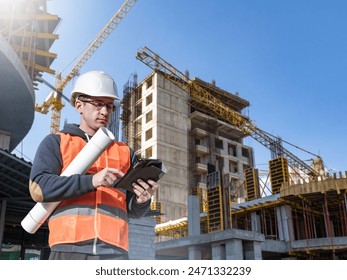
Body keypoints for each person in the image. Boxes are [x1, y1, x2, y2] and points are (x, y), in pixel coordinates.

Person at [29, 70, 158, 260]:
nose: (105, 112)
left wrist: (142, 200)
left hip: (115, 253)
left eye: (109, 106)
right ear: (79, 105)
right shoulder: (57, 142)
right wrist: (91, 181)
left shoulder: (125, 152)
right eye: (98, 104)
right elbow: (39, 188)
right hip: (69, 249)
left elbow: (132, 211)